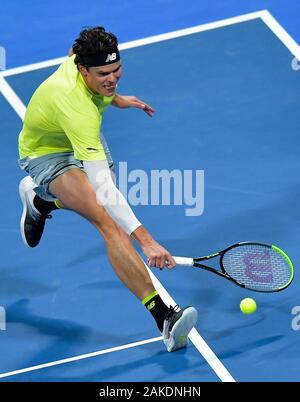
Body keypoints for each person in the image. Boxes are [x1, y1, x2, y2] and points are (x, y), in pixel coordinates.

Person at [18, 26, 197, 352]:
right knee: (108, 220)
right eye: (103, 74)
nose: (112, 78)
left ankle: (40, 202)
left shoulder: (81, 56)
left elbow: (86, 61)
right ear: (82, 70)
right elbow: (104, 192)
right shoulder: (77, 110)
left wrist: (116, 99)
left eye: (116, 70)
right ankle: (165, 319)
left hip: (78, 139)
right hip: (46, 154)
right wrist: (147, 241)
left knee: (101, 210)